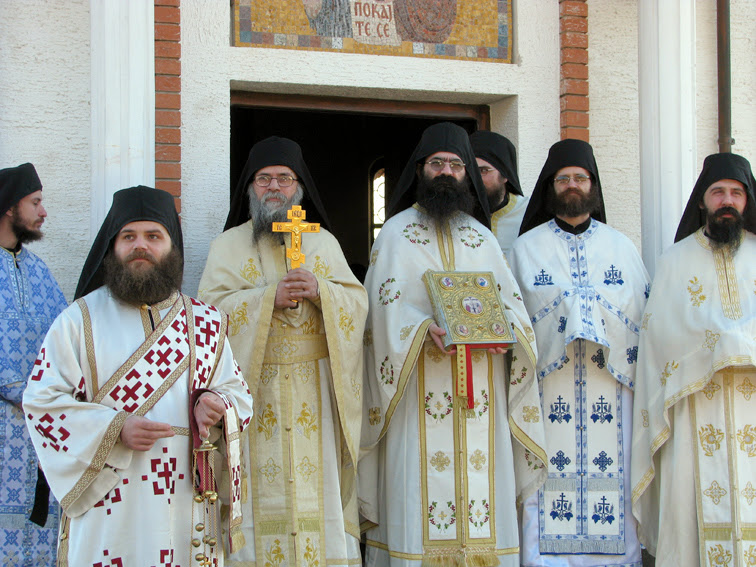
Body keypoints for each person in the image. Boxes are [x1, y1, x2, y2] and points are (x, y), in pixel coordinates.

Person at [23, 186, 253, 566]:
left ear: (172, 245)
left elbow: (239, 395)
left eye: (153, 236)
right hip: (108, 503)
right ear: (112, 246)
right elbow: (42, 402)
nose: (140, 246)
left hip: (186, 501)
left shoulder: (206, 322)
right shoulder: (78, 320)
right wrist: (114, 428)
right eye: (128, 236)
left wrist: (217, 403)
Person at [359, 122, 547, 566]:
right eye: (437, 163)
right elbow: (379, 312)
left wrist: (506, 335)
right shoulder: (396, 234)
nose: (446, 172)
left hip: (481, 392)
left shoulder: (481, 238)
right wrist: (421, 329)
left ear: (467, 174)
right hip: (414, 394)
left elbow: (513, 307)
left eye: (456, 165)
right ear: (420, 170)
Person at [198, 137, 368, 566]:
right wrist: (265, 299)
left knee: (318, 492)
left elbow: (357, 303)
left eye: (284, 178)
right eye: (264, 178)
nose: (274, 187)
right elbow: (208, 314)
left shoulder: (323, 243)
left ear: (299, 188)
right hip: (253, 391)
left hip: (316, 393)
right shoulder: (227, 246)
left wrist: (322, 290)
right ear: (250, 188)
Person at [510, 139, 649, 566]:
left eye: (580, 178)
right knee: (546, 479)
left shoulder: (622, 248)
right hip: (548, 388)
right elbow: (514, 317)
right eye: (563, 179)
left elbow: (642, 316)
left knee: (615, 475)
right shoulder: (525, 249)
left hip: (612, 386)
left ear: (593, 186)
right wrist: (567, 313)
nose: (572, 185)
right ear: (551, 187)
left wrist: (593, 314)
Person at [631, 153, 756, 566]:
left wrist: (737, 344)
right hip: (693, 410)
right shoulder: (675, 261)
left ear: (747, 200)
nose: (727, 200)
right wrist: (715, 348)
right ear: (702, 200)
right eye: (718, 191)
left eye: (736, 192)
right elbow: (659, 336)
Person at [0, 163, 67, 566]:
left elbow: (66, 340)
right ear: (10, 206)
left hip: (39, 430)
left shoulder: (40, 272)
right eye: (35, 202)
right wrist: (19, 390)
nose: (43, 212)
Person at [469, 130, 528, 257]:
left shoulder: (528, 213)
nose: (475, 179)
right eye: (470, 171)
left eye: (483, 170)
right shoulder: (455, 216)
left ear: (505, 175)